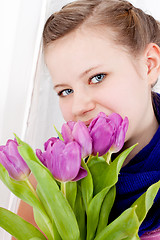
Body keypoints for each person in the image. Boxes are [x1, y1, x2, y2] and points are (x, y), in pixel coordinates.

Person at [13, 0, 160, 239]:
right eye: (65, 91)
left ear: (148, 65)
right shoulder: (49, 182)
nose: (80, 107)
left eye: (97, 77)